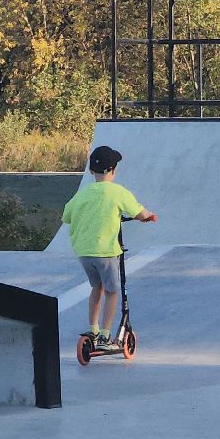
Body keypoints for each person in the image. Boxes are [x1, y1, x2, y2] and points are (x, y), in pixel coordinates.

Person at [61, 145, 156, 346]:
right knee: (112, 291)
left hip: (84, 252)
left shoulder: (83, 194)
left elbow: (66, 215)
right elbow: (138, 211)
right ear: (113, 170)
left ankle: (92, 329)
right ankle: (105, 334)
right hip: (105, 252)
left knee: (97, 287)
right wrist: (147, 217)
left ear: (91, 171)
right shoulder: (117, 192)